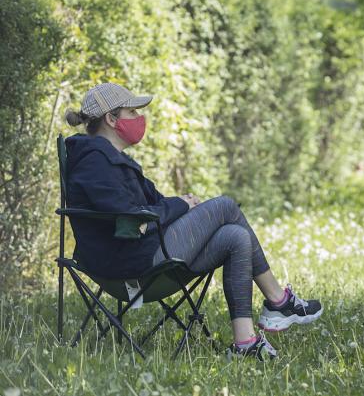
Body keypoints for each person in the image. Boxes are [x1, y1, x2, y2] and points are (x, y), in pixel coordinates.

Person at [64, 83, 323, 360]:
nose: (140, 119)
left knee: (236, 236)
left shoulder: (114, 159)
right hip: (127, 262)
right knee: (224, 205)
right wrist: (180, 205)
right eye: (132, 112)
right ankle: (278, 301)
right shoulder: (94, 161)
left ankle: (245, 343)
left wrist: (185, 207)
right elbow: (130, 218)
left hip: (145, 250)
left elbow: (153, 205)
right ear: (111, 119)